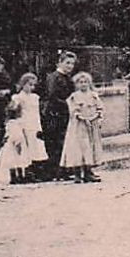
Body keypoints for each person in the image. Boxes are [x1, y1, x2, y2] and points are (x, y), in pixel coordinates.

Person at [33, 52, 76, 181]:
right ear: (60, 63)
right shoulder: (54, 77)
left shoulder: (67, 78)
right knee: (54, 142)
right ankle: (55, 171)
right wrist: (68, 103)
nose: (70, 66)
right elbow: (52, 96)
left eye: (72, 63)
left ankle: (62, 170)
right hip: (53, 113)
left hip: (63, 113)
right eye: (67, 63)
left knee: (62, 142)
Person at [60, 71, 104, 183]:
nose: (83, 84)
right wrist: (83, 118)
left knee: (90, 147)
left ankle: (88, 172)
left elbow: (100, 108)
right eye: (80, 82)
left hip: (91, 125)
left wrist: (95, 117)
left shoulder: (94, 96)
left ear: (89, 83)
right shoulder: (74, 97)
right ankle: (77, 173)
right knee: (78, 148)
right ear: (76, 84)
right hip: (78, 126)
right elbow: (73, 111)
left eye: (85, 82)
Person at [10, 72, 47, 179]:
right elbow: (13, 110)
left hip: (34, 123)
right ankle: (24, 172)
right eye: (29, 84)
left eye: (33, 85)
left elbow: (37, 112)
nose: (32, 87)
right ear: (23, 84)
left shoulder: (35, 97)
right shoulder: (18, 97)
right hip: (24, 123)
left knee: (35, 147)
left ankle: (32, 171)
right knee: (25, 147)